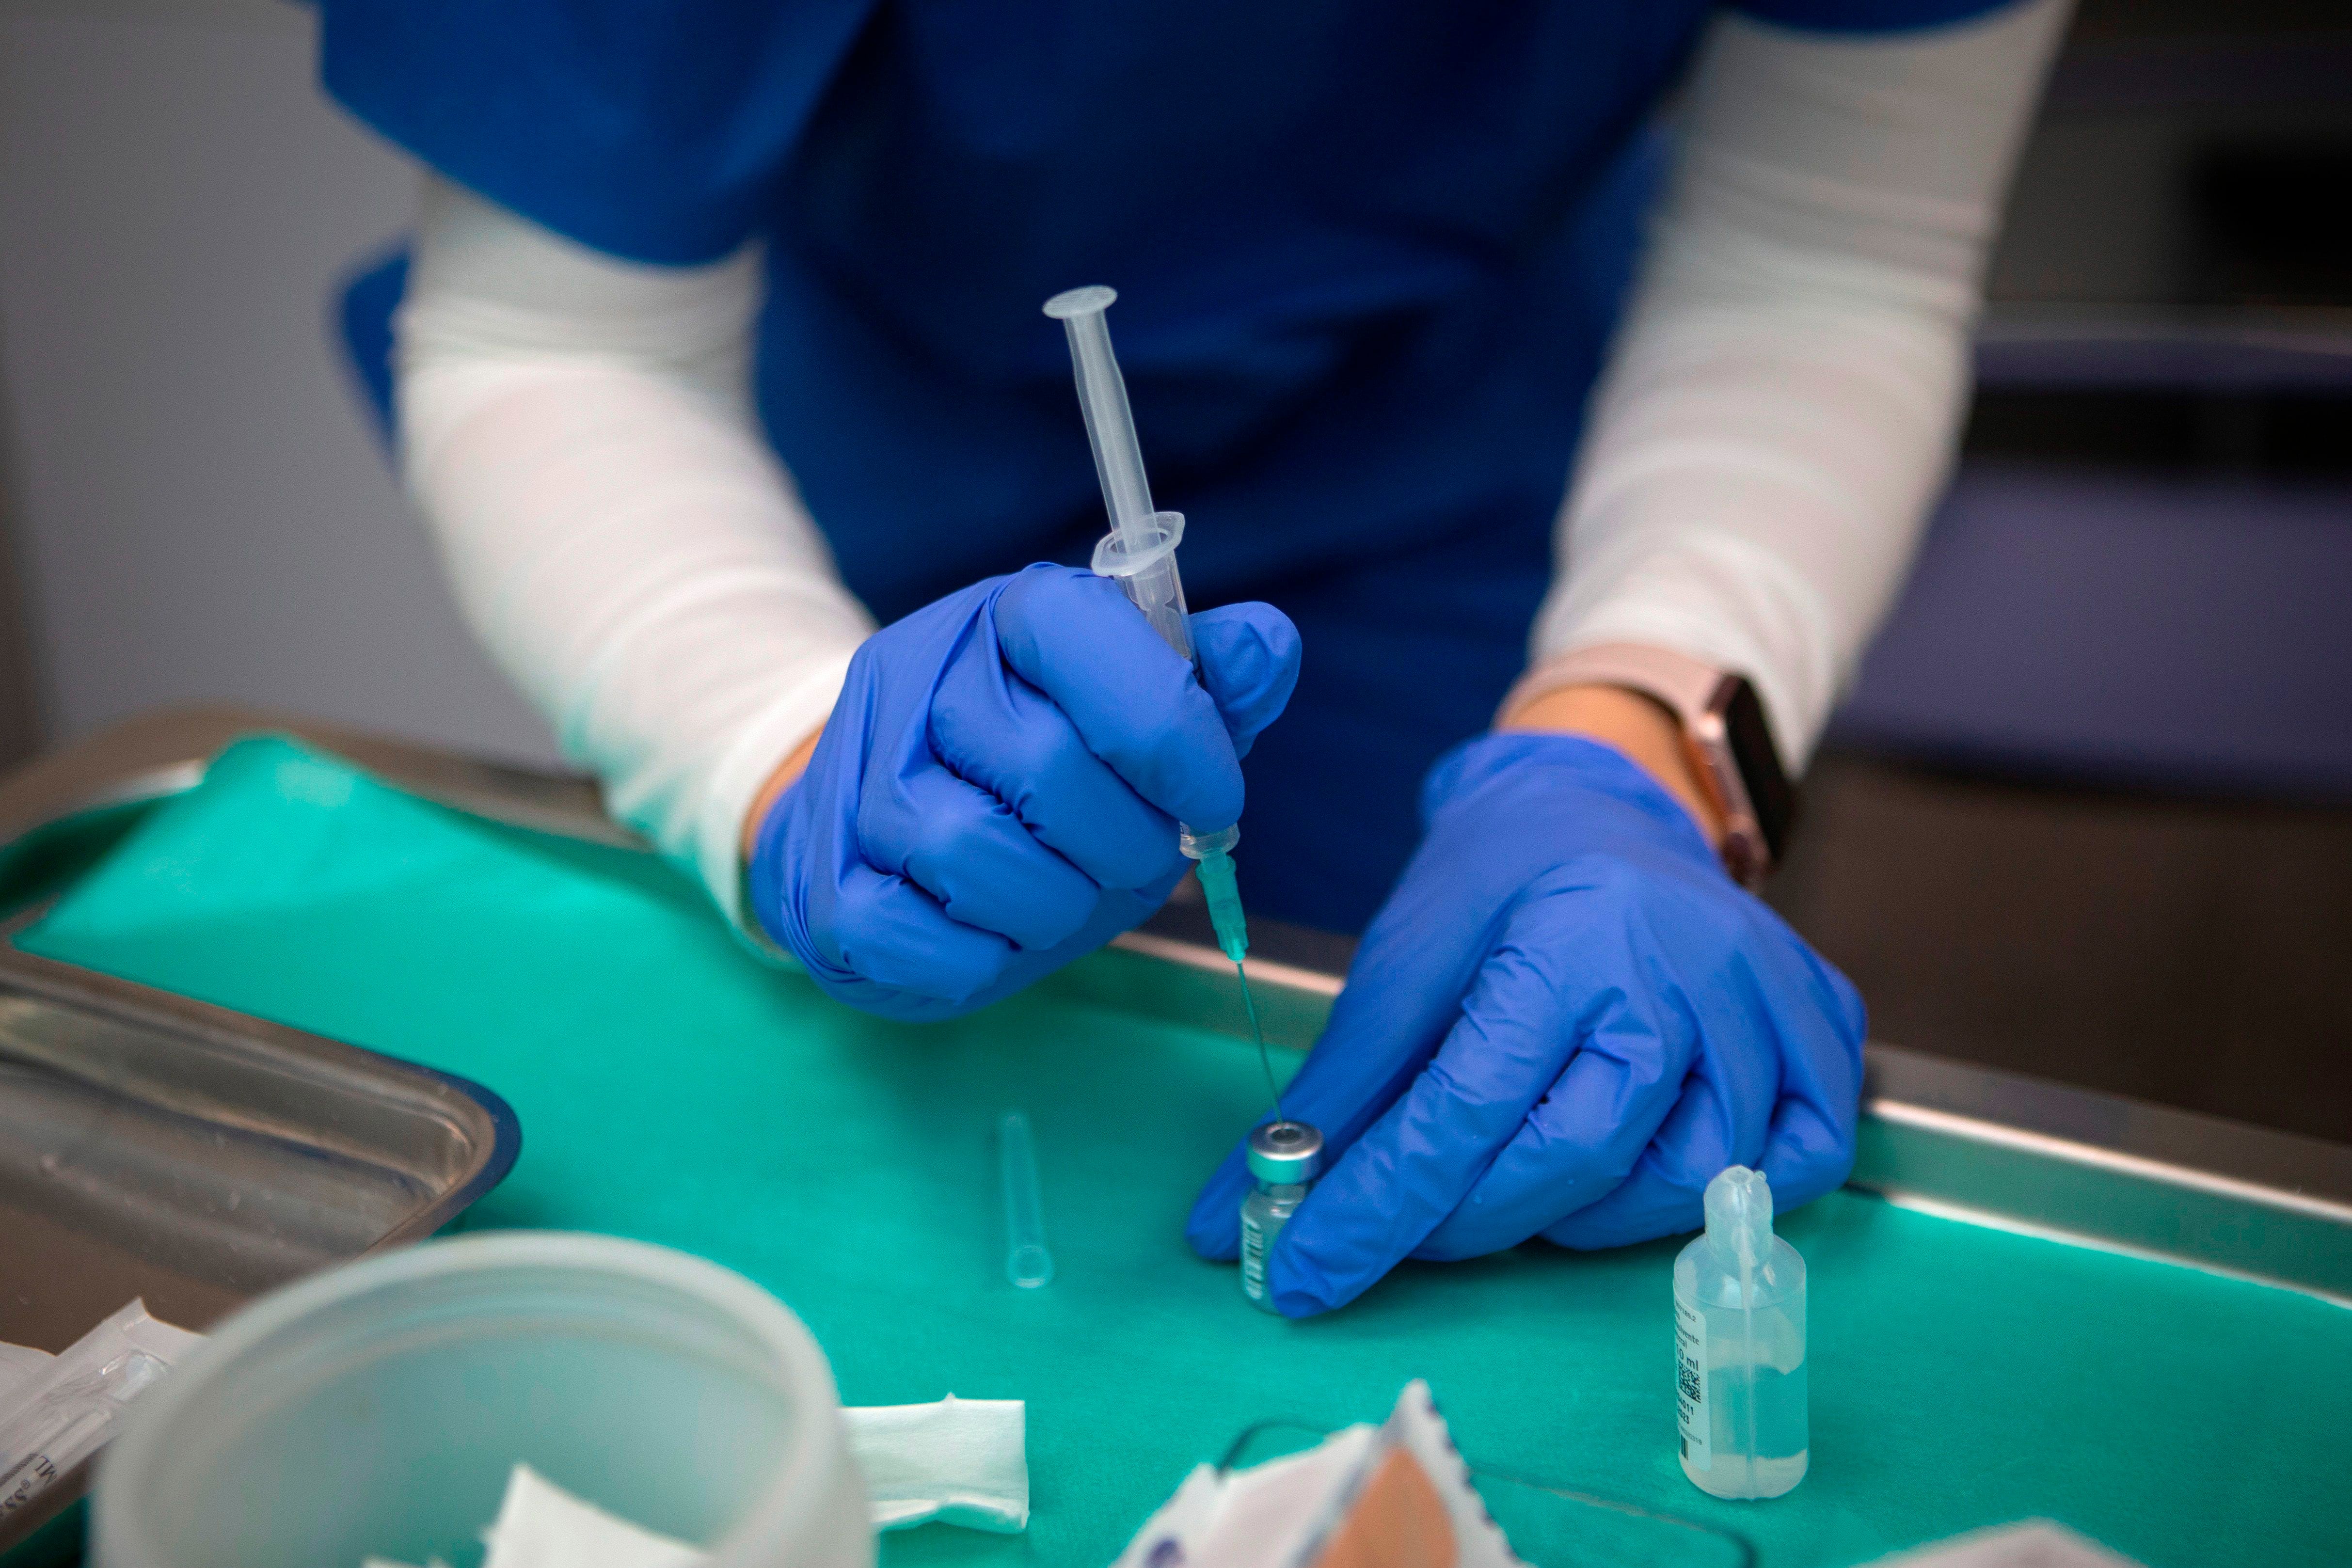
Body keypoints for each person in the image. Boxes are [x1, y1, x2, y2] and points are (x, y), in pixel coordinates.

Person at [322, 0, 2069, 1315]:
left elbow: (1826, 260)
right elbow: (551, 337)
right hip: (840, 479)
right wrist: (769, 747)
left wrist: (1633, 735)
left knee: (1558, 1066)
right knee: (886, 1069)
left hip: (1477, 447)